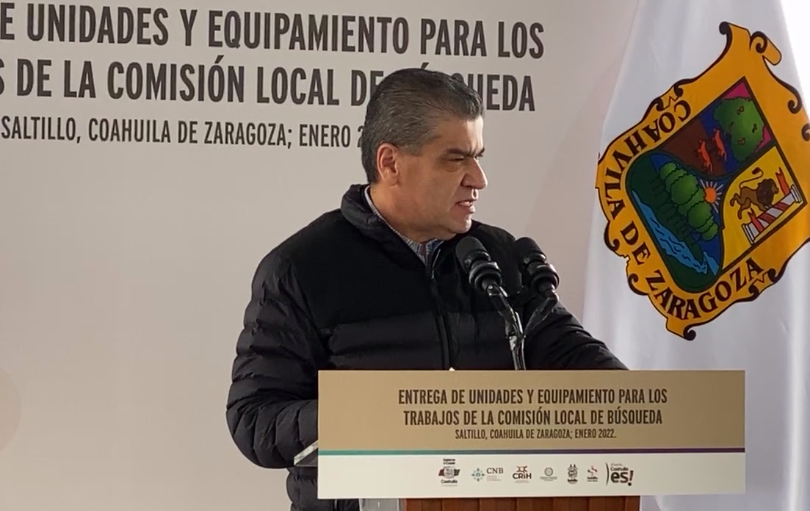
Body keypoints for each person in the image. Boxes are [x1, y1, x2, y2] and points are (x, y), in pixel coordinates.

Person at [225, 68, 627, 511]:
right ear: (390, 163)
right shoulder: (302, 268)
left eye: (478, 157)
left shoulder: (499, 257)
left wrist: (642, 405)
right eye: (455, 160)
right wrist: (372, 412)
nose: (478, 179)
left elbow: (588, 366)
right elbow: (254, 419)